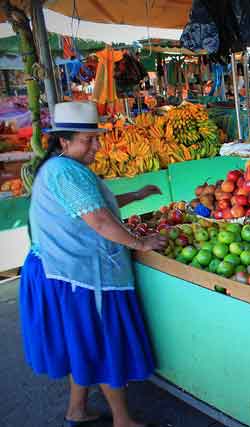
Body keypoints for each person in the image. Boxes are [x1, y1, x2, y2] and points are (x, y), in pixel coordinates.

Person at [20, 101, 168, 427]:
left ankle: (77, 411)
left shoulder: (61, 168)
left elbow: (95, 205)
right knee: (101, 343)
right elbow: (100, 220)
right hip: (76, 277)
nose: (97, 146)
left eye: (97, 138)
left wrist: (137, 195)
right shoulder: (64, 172)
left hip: (58, 271)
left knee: (81, 343)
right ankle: (122, 420)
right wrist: (141, 242)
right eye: (89, 140)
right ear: (64, 141)